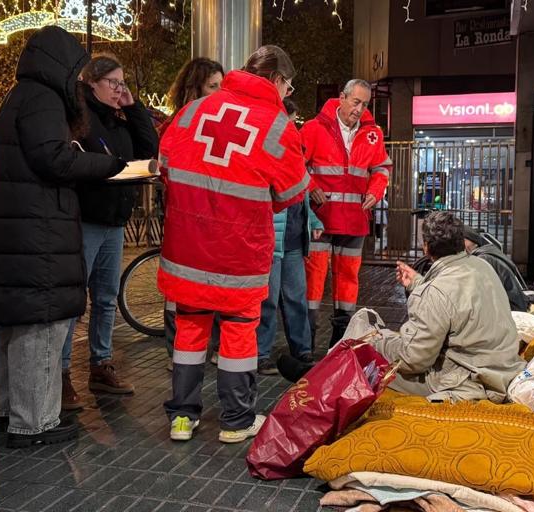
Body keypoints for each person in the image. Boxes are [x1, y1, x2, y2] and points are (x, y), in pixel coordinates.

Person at [0, 26, 126, 448]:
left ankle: (4, 413)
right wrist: (106, 165)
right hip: (39, 230)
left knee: (13, 326)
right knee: (40, 326)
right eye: (77, 71)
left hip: (19, 229)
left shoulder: (18, 96)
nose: (78, 80)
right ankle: (35, 422)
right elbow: (53, 158)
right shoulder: (43, 98)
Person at [158, 45, 309, 443]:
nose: (287, 93)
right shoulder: (277, 125)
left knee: (189, 331)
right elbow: (292, 192)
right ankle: (236, 421)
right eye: (288, 85)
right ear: (276, 80)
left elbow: (166, 167)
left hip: (187, 247)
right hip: (239, 251)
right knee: (239, 333)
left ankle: (181, 418)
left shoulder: (191, 111)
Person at [59, 54, 160, 410]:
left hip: (114, 222)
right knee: (74, 301)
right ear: (92, 83)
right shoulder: (80, 119)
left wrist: (134, 108)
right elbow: (85, 165)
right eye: (113, 83)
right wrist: (114, 170)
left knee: (105, 298)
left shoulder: (118, 122)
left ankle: (100, 364)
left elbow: (148, 151)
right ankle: (61, 373)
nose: (119, 89)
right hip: (87, 219)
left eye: (122, 83)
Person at [377, 212, 524, 401]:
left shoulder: (435, 292)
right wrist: (418, 283)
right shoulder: (482, 265)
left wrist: (378, 344)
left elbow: (414, 360)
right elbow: (456, 298)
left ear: (426, 247)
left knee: (369, 355)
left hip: (468, 380)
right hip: (503, 369)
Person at [301, 79, 392, 351]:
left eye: (365, 104)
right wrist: (311, 188)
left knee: (348, 282)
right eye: (355, 102)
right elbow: (295, 163)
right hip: (320, 219)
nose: (359, 109)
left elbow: (382, 168)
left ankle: (339, 342)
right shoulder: (313, 129)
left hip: (354, 220)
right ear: (342, 98)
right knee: (312, 280)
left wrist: (376, 191)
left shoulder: (373, 133)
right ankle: (305, 344)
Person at [158, 57, 225, 371]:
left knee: (215, 285)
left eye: (222, 86)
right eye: (213, 86)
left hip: (215, 220)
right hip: (185, 220)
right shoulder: (179, 125)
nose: (219, 93)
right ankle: (179, 352)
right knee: (181, 289)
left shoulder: (223, 125)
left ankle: (212, 346)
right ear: (194, 88)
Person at [256, 99, 324, 375]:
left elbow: (303, 195)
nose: (294, 127)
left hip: (294, 240)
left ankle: (302, 349)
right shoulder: (269, 152)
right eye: (291, 121)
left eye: (294, 122)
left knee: (296, 298)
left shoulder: (296, 155)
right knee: (269, 300)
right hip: (273, 241)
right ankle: (261, 354)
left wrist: (314, 221)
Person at [462, 227, 530, 312]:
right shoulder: (489, 253)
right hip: (514, 304)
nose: (461, 244)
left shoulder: (483, 259)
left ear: (474, 242)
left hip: (510, 308)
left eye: (464, 240)